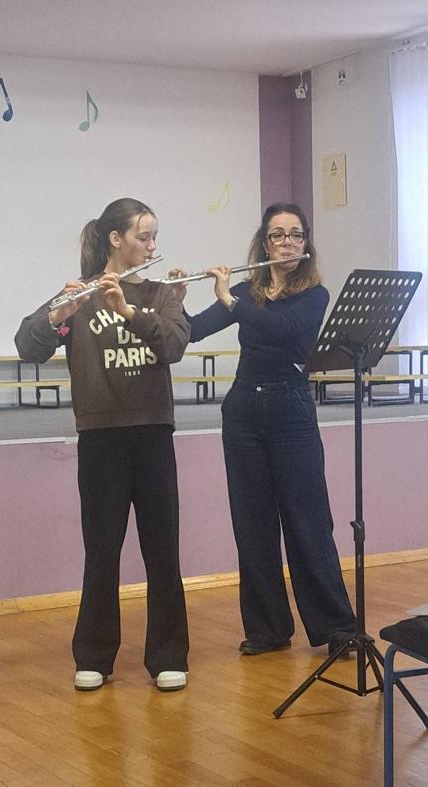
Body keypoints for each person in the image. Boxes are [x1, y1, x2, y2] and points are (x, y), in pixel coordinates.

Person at [15, 197, 190, 691]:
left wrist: (129, 311)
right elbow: (27, 345)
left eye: (154, 237)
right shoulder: (82, 294)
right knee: (102, 550)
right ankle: (93, 654)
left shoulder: (161, 293)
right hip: (100, 438)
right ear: (116, 239)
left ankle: (168, 655)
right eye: (143, 237)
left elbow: (174, 345)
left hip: (152, 433)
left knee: (163, 550)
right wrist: (58, 314)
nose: (152, 246)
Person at [172, 202, 356, 655]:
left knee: (308, 521)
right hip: (243, 413)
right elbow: (193, 331)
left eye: (296, 235)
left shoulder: (313, 296)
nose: (287, 243)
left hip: (290, 409)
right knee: (252, 523)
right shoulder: (247, 290)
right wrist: (175, 299)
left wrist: (232, 301)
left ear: (306, 243)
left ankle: (336, 628)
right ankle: (268, 629)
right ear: (265, 243)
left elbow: (283, 329)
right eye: (278, 235)